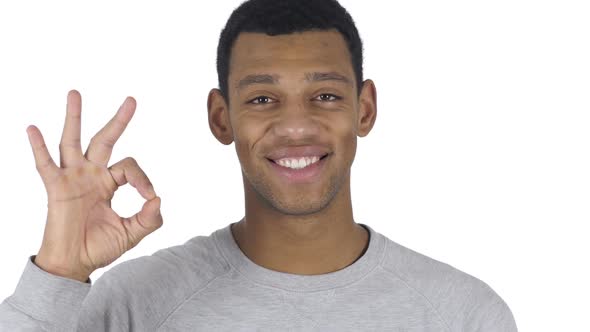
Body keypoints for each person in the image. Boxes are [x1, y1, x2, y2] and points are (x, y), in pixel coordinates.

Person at [0, 0, 518, 330]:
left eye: (325, 95)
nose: (296, 126)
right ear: (221, 118)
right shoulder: (135, 304)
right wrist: (60, 269)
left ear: (365, 109)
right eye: (263, 100)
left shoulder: (464, 315)